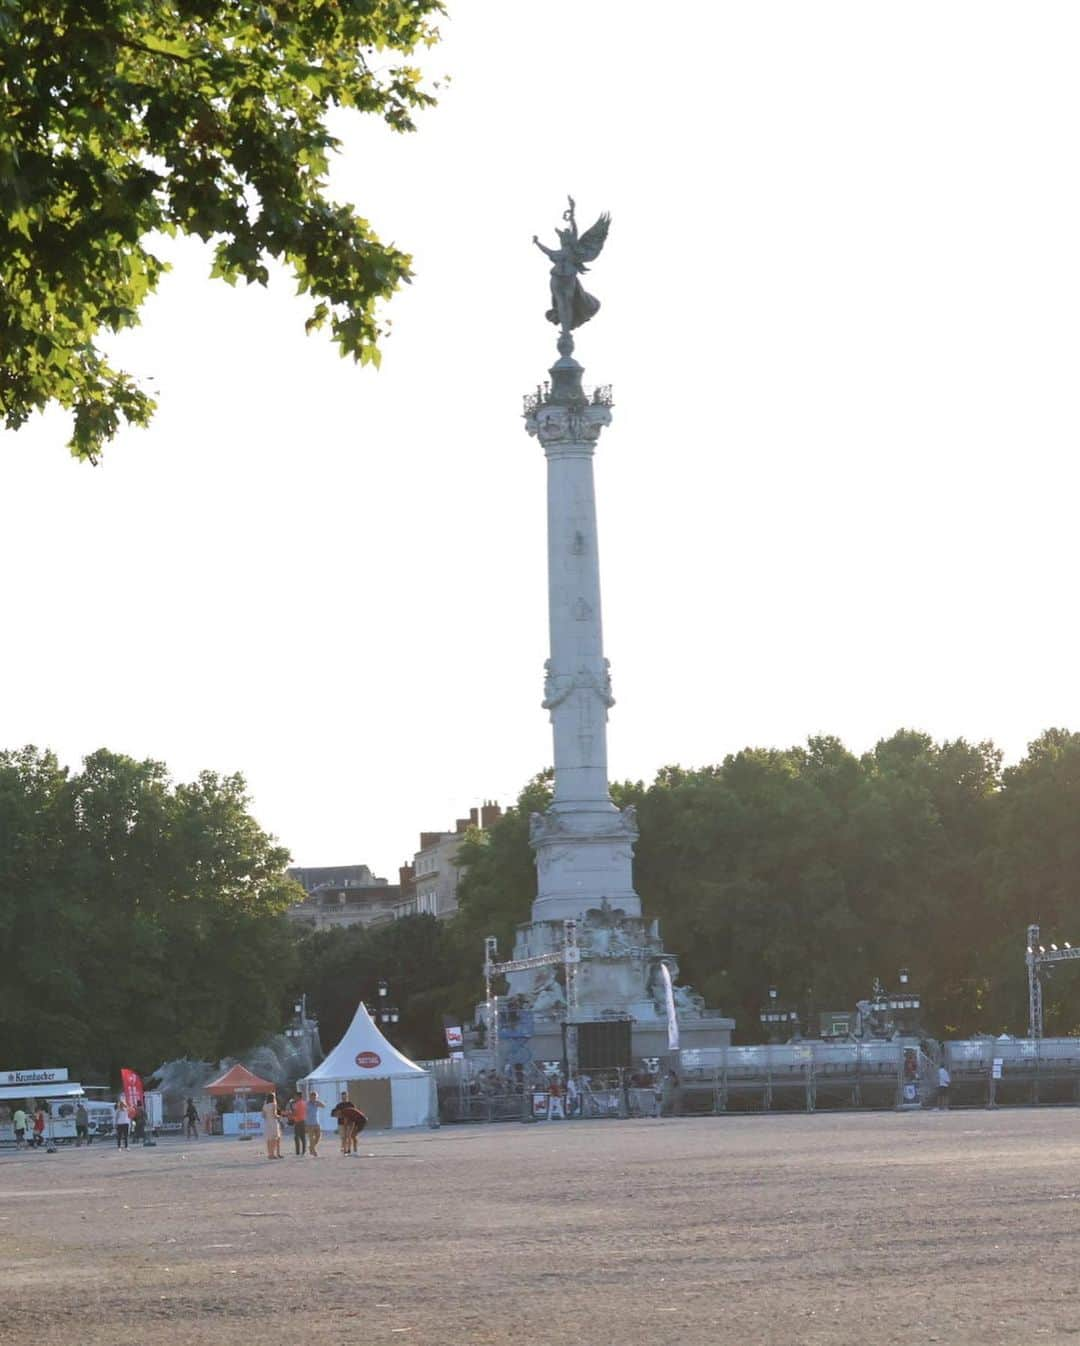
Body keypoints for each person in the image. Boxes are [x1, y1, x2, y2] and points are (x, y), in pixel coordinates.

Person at [261, 1093, 282, 1160]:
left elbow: (263, 1115)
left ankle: (270, 1154)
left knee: (269, 1139)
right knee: (274, 1138)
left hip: (267, 1123)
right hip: (273, 1122)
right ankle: (273, 1154)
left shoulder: (265, 1105)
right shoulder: (273, 1105)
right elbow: (274, 1114)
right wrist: (279, 1116)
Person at [307, 1088, 326, 1158]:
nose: (314, 1098)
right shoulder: (307, 1104)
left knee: (318, 1136)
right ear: (310, 1097)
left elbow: (324, 1106)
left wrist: (318, 1103)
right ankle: (313, 1151)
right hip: (309, 1123)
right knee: (311, 1138)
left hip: (316, 1123)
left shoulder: (317, 1103)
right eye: (313, 1097)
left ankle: (311, 1147)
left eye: (315, 1097)